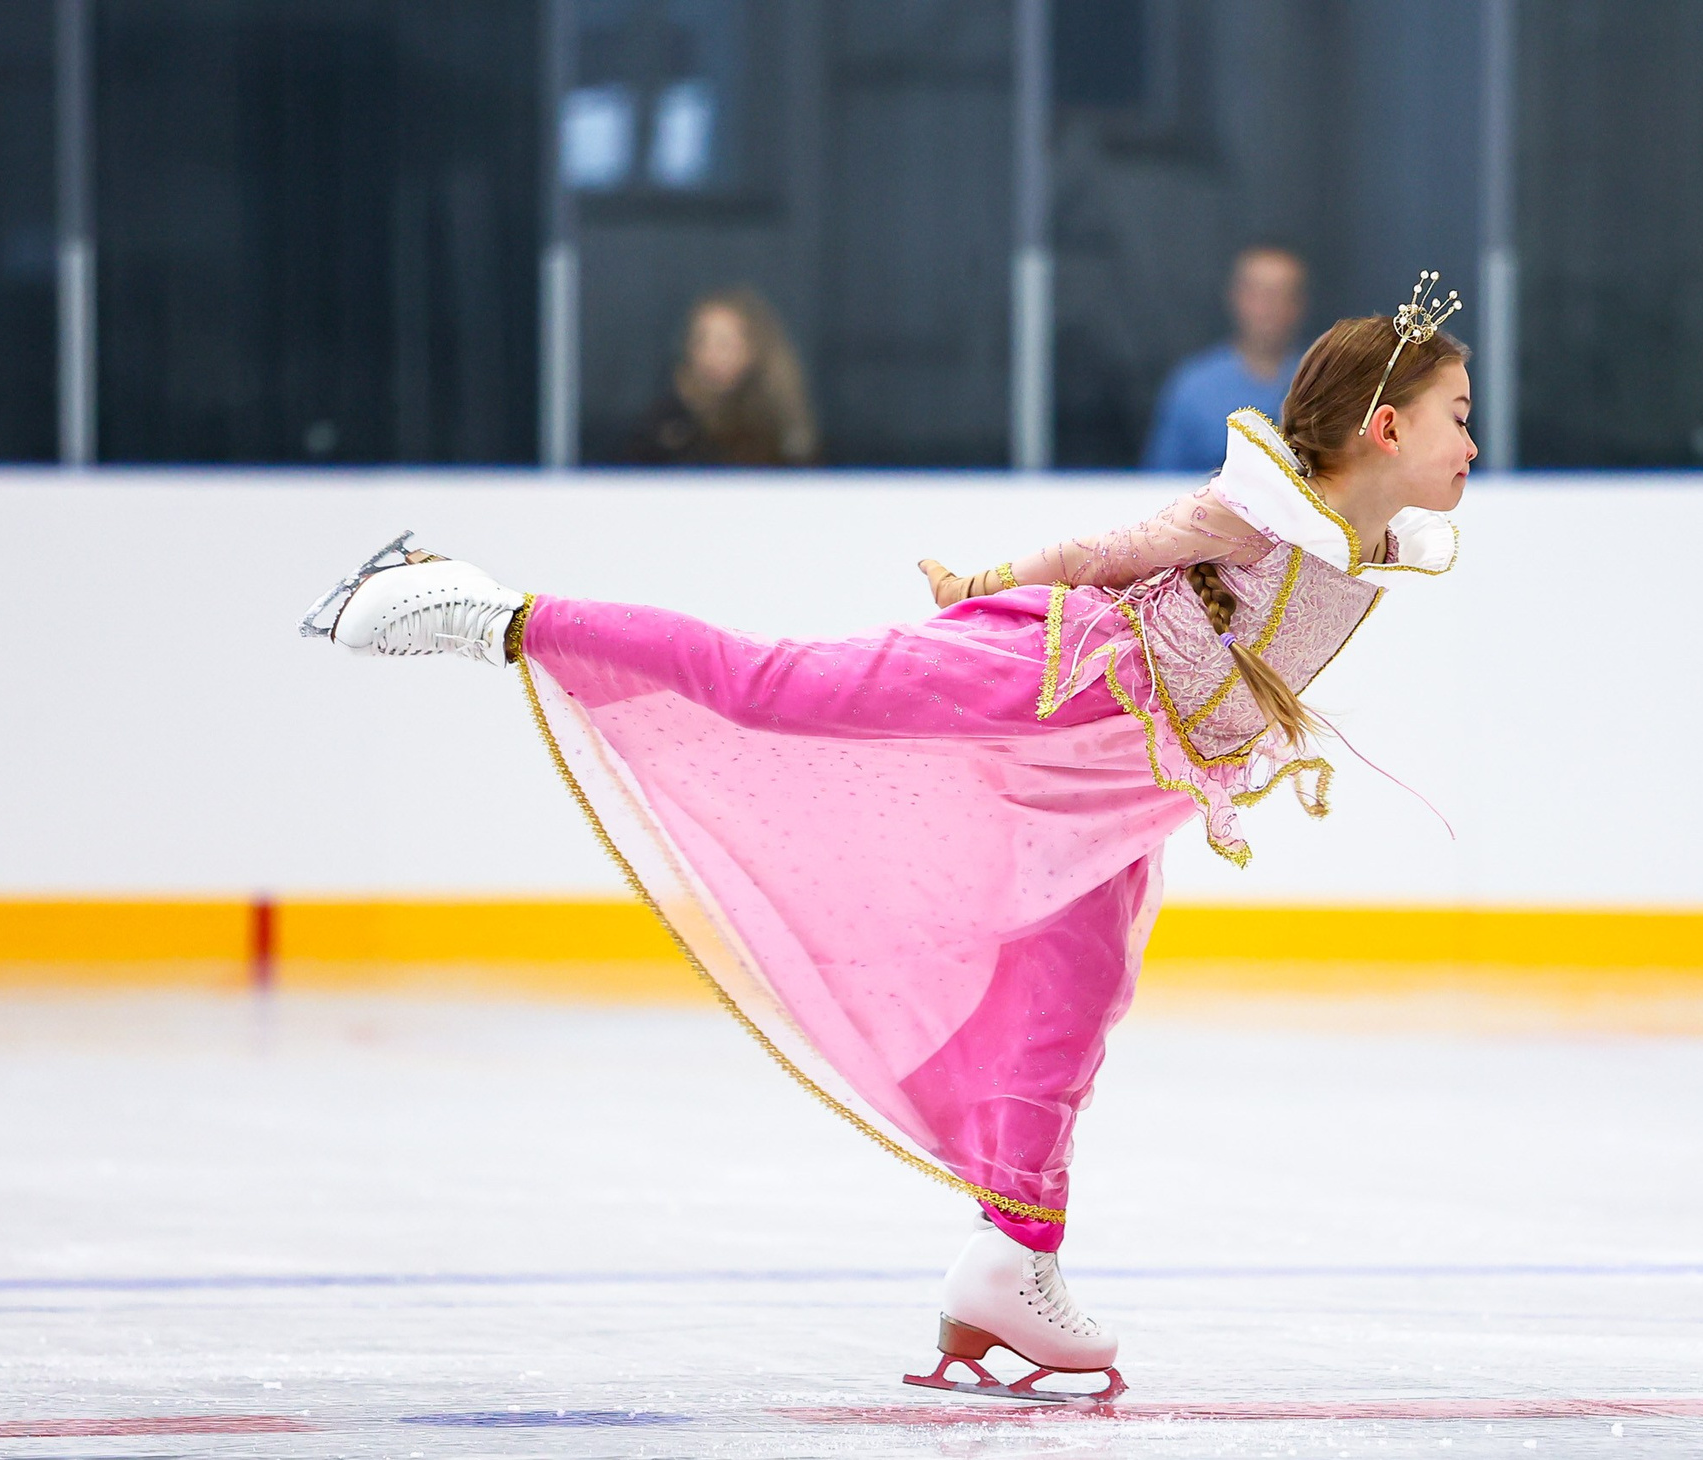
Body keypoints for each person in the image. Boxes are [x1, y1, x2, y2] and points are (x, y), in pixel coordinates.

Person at [299, 278, 1469, 1401]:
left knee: (1079, 993)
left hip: (1117, 778)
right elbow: (1109, 550)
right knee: (780, 688)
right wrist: (981, 580)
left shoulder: (1370, 543)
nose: (1472, 441)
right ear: (1382, 427)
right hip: (1051, 681)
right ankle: (489, 610)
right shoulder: (1263, 508)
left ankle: (1010, 1261)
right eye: (1456, 418)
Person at [1141, 245, 1309, 473]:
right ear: (1235, 297)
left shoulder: (1322, 384)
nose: (1267, 307)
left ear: (1299, 304)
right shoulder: (1193, 387)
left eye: (1280, 294)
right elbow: (1157, 484)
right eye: (1257, 293)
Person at [622, 287, 818, 466]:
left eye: (724, 344)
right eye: (701, 342)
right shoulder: (666, 423)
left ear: (755, 349)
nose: (711, 355)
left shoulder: (780, 425)